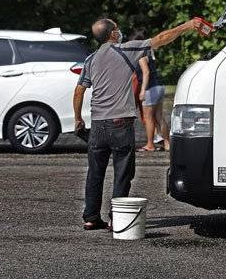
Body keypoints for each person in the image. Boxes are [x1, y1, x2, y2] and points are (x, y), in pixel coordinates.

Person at [73, 17, 206, 230]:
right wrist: (187, 26)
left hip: (97, 125)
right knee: (123, 172)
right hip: (120, 123)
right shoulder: (126, 49)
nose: (120, 30)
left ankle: (90, 217)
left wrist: (79, 119)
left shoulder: (91, 59)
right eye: (117, 27)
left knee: (95, 172)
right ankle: (117, 218)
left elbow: (79, 90)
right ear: (113, 34)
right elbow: (161, 39)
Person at [128, 32, 169, 152]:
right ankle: (167, 144)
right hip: (159, 87)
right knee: (159, 117)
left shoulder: (141, 56)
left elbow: (146, 73)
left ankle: (150, 145)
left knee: (149, 118)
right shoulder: (149, 54)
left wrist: (142, 90)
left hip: (150, 89)